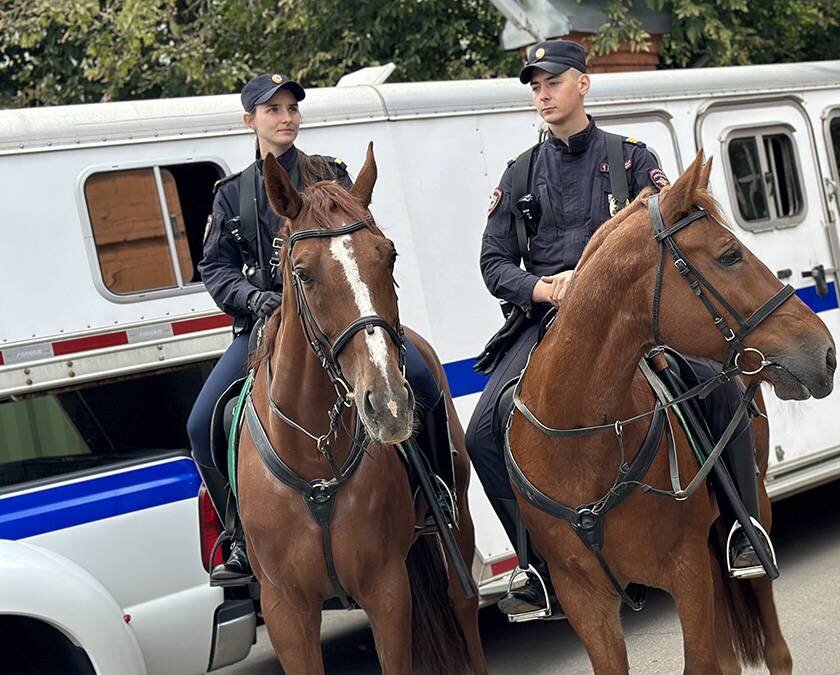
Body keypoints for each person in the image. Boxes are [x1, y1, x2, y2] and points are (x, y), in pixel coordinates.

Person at [466, 40, 772, 619]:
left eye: (552, 81)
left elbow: (671, 241)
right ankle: (537, 568)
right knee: (482, 433)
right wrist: (542, 287)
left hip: (635, 322)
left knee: (721, 386)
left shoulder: (632, 159)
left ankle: (741, 528)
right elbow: (493, 262)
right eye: (534, 85)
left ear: (583, 84)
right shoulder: (519, 173)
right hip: (545, 324)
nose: (542, 93)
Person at [188, 73, 440, 585]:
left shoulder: (333, 174)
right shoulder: (230, 195)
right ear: (250, 120)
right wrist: (258, 300)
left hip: (343, 319)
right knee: (200, 424)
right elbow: (216, 270)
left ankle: (433, 492)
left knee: (422, 377)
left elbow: (362, 245)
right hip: (266, 329)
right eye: (272, 110)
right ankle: (238, 536)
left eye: (291, 109)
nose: (285, 118)